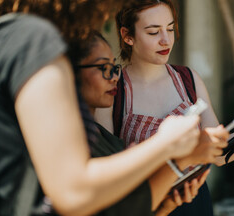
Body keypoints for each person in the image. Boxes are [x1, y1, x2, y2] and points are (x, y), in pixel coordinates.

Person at [0, 0, 207, 215]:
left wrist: (167, 200)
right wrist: (166, 144)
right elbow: (74, 192)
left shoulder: (9, 38)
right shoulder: (34, 42)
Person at [95, 0, 234, 216]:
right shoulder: (113, 89)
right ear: (127, 36)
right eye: (153, 32)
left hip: (196, 205)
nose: (166, 40)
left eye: (170, 29)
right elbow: (106, 172)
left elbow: (220, 154)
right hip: (143, 209)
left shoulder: (188, 79)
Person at [72, 31, 226, 215]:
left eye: (115, 67)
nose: (114, 76)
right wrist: (171, 149)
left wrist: (166, 205)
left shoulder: (103, 137)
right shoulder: (73, 142)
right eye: (104, 68)